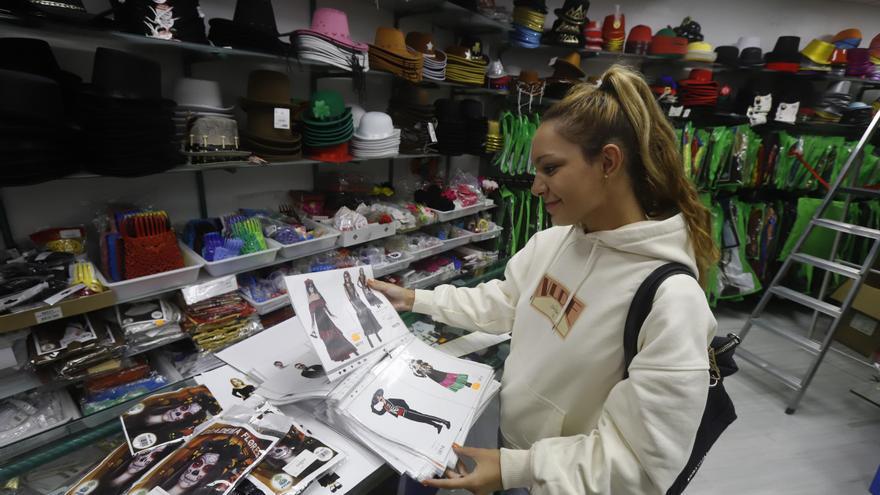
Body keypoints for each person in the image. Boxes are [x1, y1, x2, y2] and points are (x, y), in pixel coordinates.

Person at [369, 65, 718, 495]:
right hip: (513, 453)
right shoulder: (552, 243)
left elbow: (641, 468)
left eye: (550, 169)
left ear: (608, 162)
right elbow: (504, 302)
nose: (536, 187)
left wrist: (519, 470)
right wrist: (413, 298)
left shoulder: (671, 301)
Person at [305, 279, 358, 362]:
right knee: (328, 338)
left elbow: (325, 307)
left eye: (312, 286)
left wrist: (330, 314)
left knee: (336, 334)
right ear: (307, 289)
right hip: (319, 320)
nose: (311, 288)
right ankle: (339, 356)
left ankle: (349, 350)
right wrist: (312, 325)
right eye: (309, 287)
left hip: (325, 317)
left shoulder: (318, 294)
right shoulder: (309, 298)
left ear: (313, 287)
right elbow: (312, 313)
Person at [370, 388, 451, 434]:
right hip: (405, 416)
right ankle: (437, 426)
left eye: (378, 397)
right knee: (422, 420)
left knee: (425, 416)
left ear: (381, 396)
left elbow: (402, 401)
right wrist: (373, 409)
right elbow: (380, 413)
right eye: (377, 398)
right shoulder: (385, 407)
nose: (378, 399)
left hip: (408, 412)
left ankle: (445, 422)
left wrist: (406, 408)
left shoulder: (390, 400)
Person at [343, 271, 383, 347]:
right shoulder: (345, 286)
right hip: (354, 303)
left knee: (368, 314)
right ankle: (369, 339)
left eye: (347, 276)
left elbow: (356, 293)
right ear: (344, 278)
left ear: (349, 277)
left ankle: (376, 333)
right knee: (363, 319)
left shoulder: (352, 284)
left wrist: (358, 295)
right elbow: (349, 299)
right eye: (345, 277)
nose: (347, 278)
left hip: (359, 300)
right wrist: (356, 308)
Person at [409, 359, 480, 392]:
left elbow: (430, 366)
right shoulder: (418, 371)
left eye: (415, 363)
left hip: (436, 373)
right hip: (434, 377)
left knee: (450, 377)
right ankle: (467, 385)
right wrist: (416, 373)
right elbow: (424, 376)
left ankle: (468, 384)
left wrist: (425, 367)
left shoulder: (423, 364)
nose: (415, 365)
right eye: (414, 365)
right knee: (449, 381)